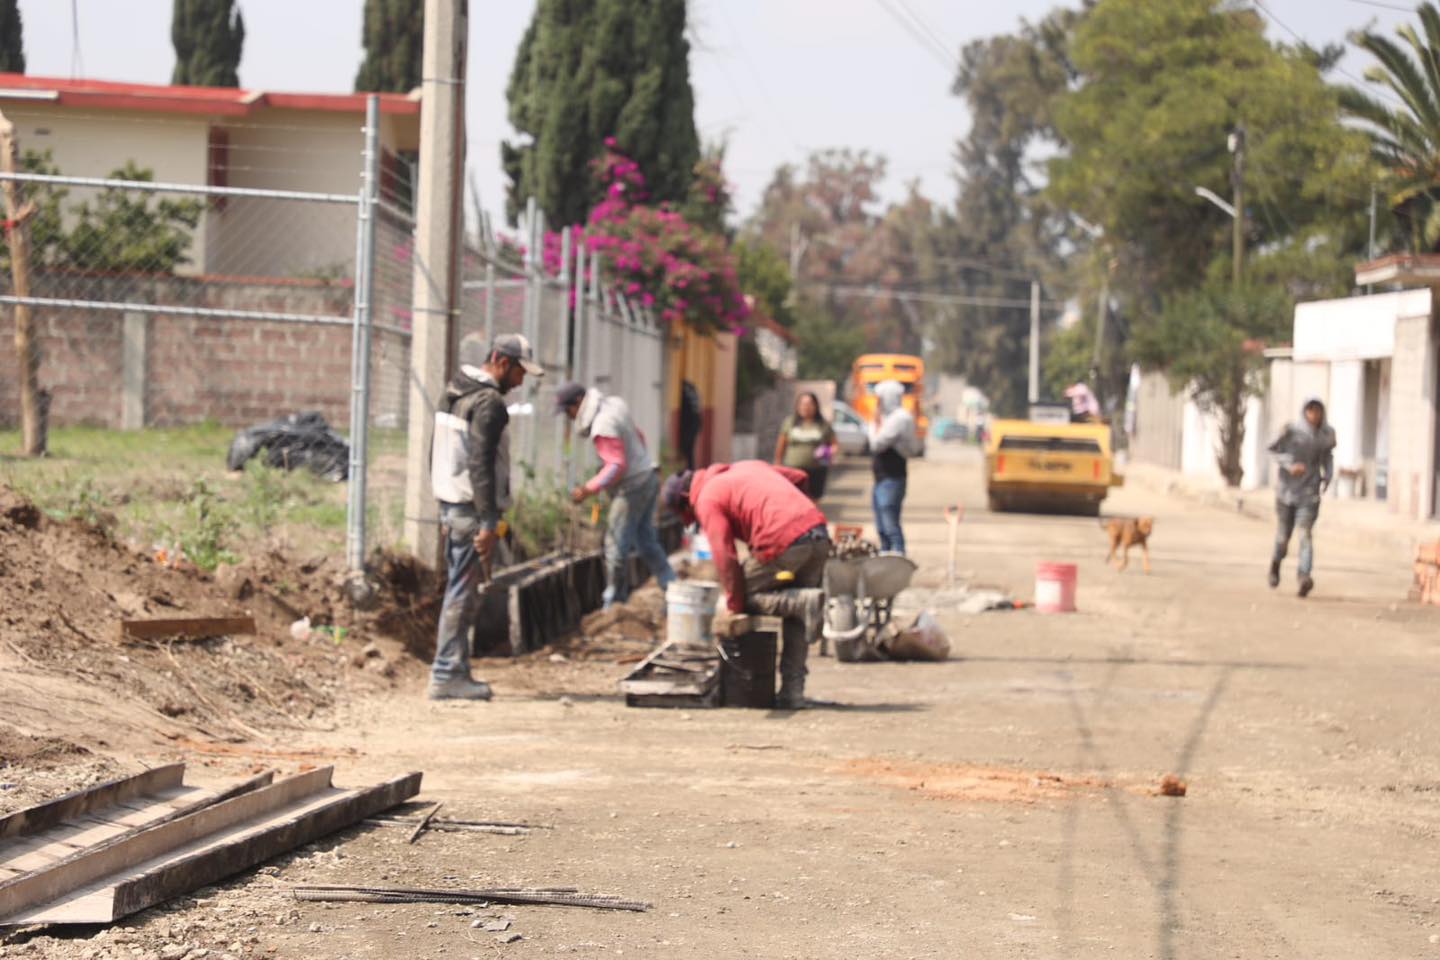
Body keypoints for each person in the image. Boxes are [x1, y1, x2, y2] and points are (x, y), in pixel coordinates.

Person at [427, 332, 544, 700]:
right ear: (502, 362)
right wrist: (489, 522)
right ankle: (447, 673)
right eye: (520, 372)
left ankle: (455, 670)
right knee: (462, 592)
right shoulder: (489, 402)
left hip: (451, 501)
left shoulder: (455, 390)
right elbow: (480, 465)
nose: (521, 381)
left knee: (461, 589)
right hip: (470, 508)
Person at [664, 461, 829, 709]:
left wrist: (734, 603)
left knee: (745, 593)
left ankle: (800, 603)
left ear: (686, 498)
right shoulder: (745, 467)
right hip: (818, 533)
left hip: (782, 540)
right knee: (799, 610)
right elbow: (800, 476)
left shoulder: (707, 497)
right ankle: (792, 694)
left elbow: (725, 555)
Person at [555, 382, 676, 607]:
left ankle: (614, 603)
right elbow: (638, 436)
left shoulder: (602, 425)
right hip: (647, 476)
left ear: (578, 403)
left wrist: (588, 489)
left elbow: (616, 466)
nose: (569, 418)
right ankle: (671, 585)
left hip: (632, 486)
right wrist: (642, 461)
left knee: (615, 547)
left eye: (568, 411)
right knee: (646, 540)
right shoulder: (614, 405)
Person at [1267, 398, 1336, 598]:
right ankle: (1275, 563)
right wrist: (1289, 465)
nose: (1314, 416)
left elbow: (1327, 456)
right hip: (1286, 493)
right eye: (1311, 411)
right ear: (1305, 412)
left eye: (1318, 411)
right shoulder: (1291, 431)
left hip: (1309, 493)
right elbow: (1271, 450)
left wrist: (1328, 475)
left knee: (1305, 534)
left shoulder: (1326, 434)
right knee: (1283, 538)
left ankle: (1304, 576)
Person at [869, 380, 921, 554]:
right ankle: (886, 554)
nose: (877, 403)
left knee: (890, 520)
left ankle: (898, 553)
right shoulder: (887, 418)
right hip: (881, 477)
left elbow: (877, 443)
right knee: (881, 524)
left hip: (892, 477)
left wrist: (874, 424)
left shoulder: (900, 418)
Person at [774, 391, 838, 500]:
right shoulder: (790, 422)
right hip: (793, 469)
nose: (806, 407)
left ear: (815, 406)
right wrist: (778, 464)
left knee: (812, 501)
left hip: (816, 470)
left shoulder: (823, 425)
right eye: (803, 404)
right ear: (797, 406)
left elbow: (834, 444)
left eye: (809, 404)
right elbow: (781, 445)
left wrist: (830, 452)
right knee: (793, 500)